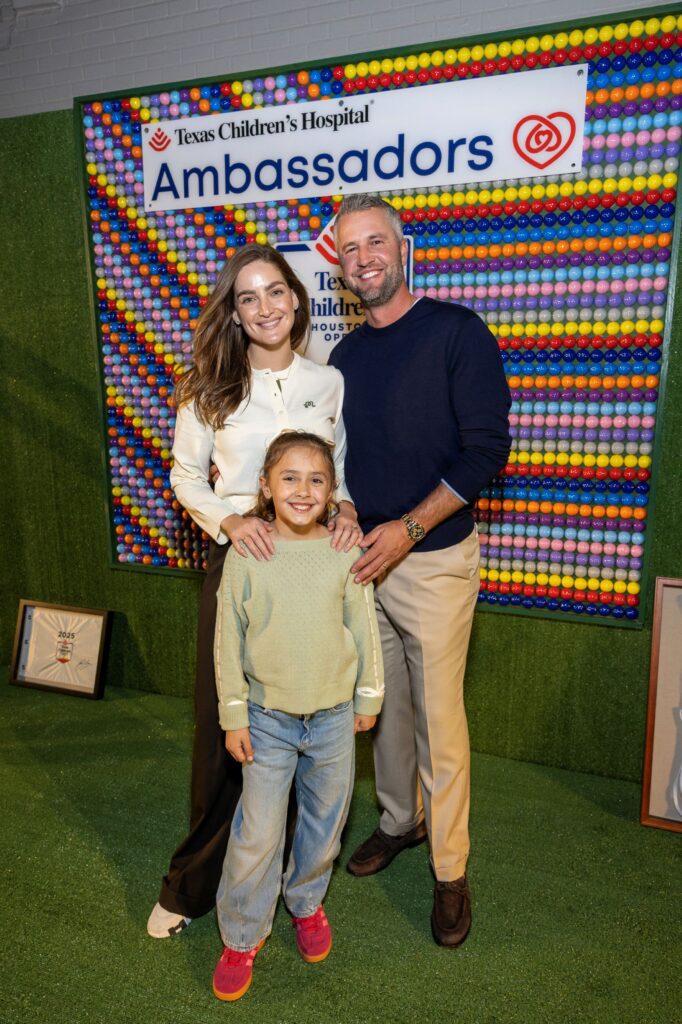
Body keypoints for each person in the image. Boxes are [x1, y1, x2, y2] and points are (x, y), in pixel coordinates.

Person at [147, 245, 363, 939]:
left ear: (297, 300)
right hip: (243, 567)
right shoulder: (208, 386)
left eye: (277, 292)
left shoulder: (326, 383)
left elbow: (338, 469)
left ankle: (297, 889)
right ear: (234, 312)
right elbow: (185, 478)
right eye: (248, 297)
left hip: (318, 573)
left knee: (312, 737)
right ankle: (190, 888)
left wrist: (350, 506)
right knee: (226, 733)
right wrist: (231, 518)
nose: (265, 306)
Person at [328, 193, 511, 948]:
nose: (364, 258)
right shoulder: (342, 356)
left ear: (403, 247)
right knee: (385, 711)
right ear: (338, 265)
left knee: (439, 721)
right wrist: (342, 507)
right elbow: (338, 459)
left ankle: (450, 869)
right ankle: (400, 824)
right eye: (349, 249)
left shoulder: (457, 333)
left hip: (433, 562)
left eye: (376, 242)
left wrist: (406, 530)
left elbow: (486, 452)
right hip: (362, 565)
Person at [211, 430, 384, 1001]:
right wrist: (234, 715)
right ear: (265, 485)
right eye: (289, 477)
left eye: (317, 479)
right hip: (266, 720)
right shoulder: (247, 553)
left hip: (334, 718)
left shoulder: (345, 551)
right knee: (258, 831)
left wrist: (368, 698)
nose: (303, 490)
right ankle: (240, 934)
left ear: (334, 492)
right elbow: (226, 640)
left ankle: (305, 903)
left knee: (324, 823)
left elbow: (364, 629)